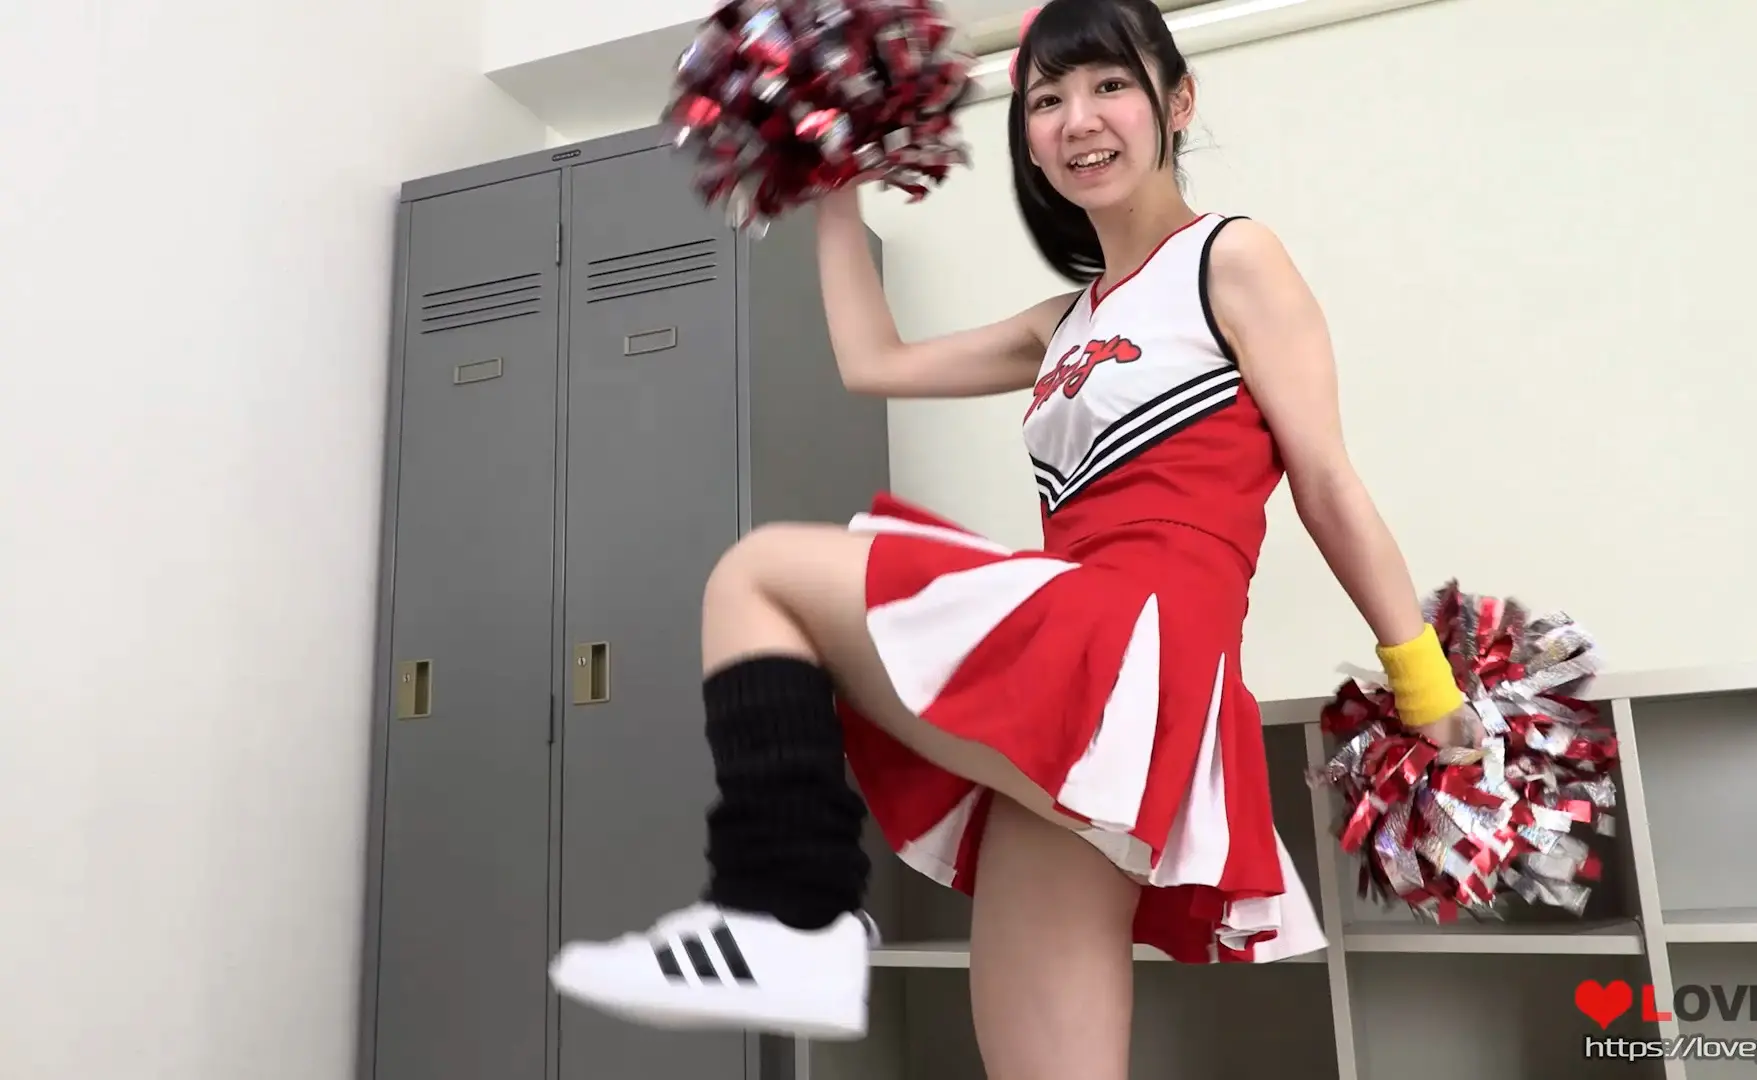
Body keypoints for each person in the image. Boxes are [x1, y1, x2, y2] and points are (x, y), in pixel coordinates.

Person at [547, 0, 1477, 1073]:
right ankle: (794, 930)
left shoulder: (1232, 257)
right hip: (1075, 690)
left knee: (760, 575)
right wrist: (831, 176)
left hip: (1144, 646)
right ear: (1027, 137)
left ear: (1177, 101)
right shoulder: (1060, 323)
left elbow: (1325, 480)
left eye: (1110, 85)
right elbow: (872, 363)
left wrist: (1425, 687)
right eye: (1046, 99)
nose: (1078, 119)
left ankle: (790, 915)